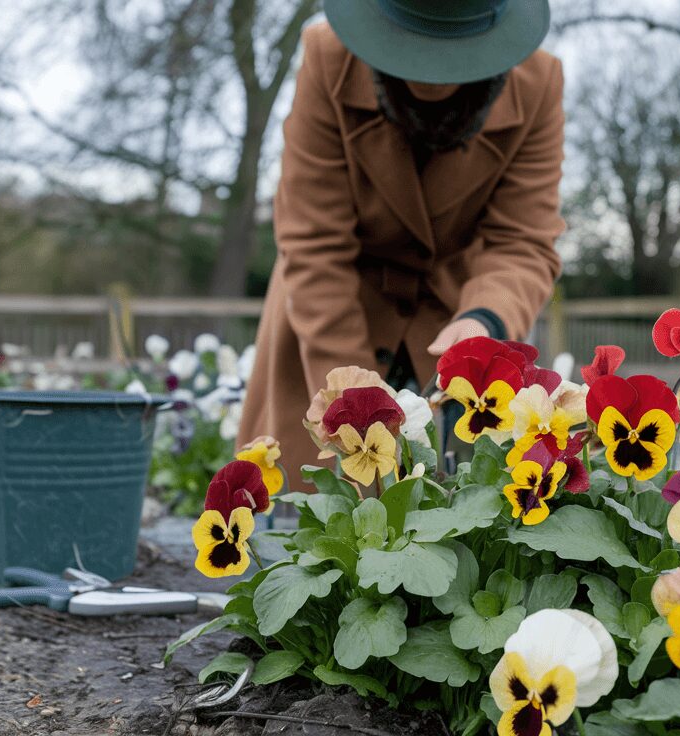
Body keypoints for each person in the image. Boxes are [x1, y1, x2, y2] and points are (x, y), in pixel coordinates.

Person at [238, 0, 564, 480]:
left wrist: (485, 321)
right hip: (330, 314)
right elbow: (314, 245)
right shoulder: (328, 56)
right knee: (318, 513)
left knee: (452, 520)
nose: (428, 73)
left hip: (452, 321)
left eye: (447, 48)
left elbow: (522, 241)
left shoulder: (538, 84)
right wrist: (351, 398)